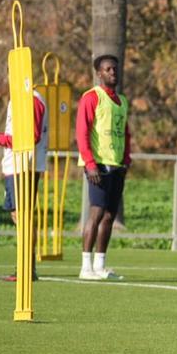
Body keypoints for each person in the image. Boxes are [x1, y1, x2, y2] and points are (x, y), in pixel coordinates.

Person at [0, 89, 49, 282]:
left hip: (24, 166)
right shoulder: (20, 98)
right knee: (18, 214)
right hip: (16, 165)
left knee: (23, 215)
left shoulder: (31, 100)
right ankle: (26, 266)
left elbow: (31, 137)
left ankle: (27, 267)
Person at [76, 54, 131, 281]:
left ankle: (100, 265)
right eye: (108, 69)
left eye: (115, 69)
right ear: (99, 73)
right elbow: (82, 131)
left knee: (109, 215)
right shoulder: (91, 97)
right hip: (97, 165)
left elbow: (126, 133)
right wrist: (90, 164)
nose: (112, 73)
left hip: (116, 165)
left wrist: (126, 160)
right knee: (96, 213)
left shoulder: (122, 101)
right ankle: (85, 266)